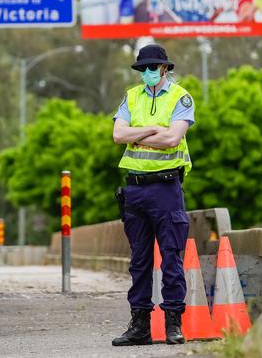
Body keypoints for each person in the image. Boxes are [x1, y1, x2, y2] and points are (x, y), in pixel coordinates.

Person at [111, 44, 194, 346]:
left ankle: (173, 323)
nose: (146, 73)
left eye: (152, 68)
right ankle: (140, 325)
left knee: (171, 258)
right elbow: (118, 135)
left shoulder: (180, 97)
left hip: (166, 189)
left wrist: (138, 132)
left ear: (164, 68)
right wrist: (152, 129)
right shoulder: (131, 97)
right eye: (142, 68)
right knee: (139, 261)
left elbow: (173, 138)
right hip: (135, 189)